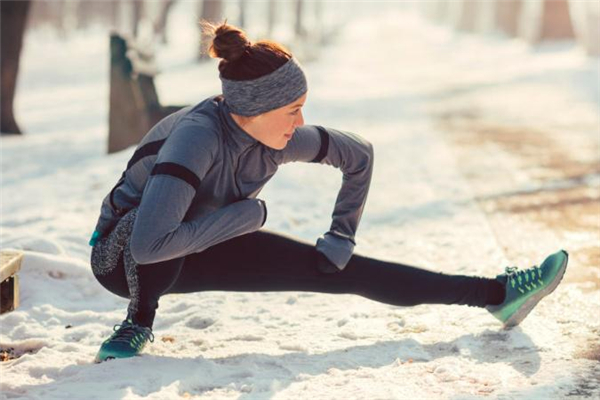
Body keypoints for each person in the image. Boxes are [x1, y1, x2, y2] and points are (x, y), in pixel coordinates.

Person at [89, 21, 569, 363]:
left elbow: (358, 154)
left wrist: (341, 235)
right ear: (255, 108)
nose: (301, 122)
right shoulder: (197, 138)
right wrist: (247, 216)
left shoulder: (273, 136)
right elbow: (148, 243)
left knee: (341, 270)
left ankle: (495, 294)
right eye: (293, 109)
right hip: (125, 258)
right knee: (153, 227)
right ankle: (138, 322)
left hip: (200, 238)